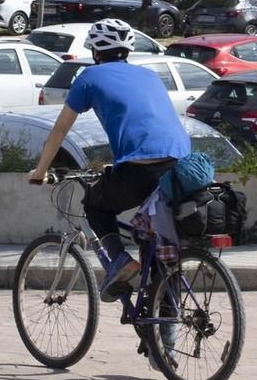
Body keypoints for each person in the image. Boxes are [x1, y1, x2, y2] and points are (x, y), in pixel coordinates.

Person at [26, 18, 191, 301]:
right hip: (180, 165)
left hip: (139, 169)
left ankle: (119, 260)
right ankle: (164, 334)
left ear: (95, 52)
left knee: (95, 205)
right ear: (126, 50)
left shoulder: (89, 78)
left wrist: (40, 171)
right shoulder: (150, 76)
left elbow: (60, 130)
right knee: (153, 238)